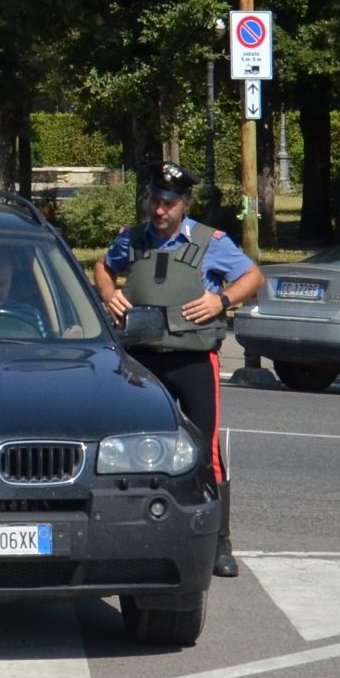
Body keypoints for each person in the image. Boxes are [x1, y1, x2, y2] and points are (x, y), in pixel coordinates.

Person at [93, 163, 264, 578]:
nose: (159, 210)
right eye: (155, 201)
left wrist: (221, 301)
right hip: (141, 360)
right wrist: (109, 293)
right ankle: (132, 535)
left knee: (205, 450)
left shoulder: (210, 242)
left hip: (193, 360)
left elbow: (253, 276)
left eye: (169, 203)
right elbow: (102, 266)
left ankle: (219, 543)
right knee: (129, 448)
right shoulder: (132, 239)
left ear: (185, 204)